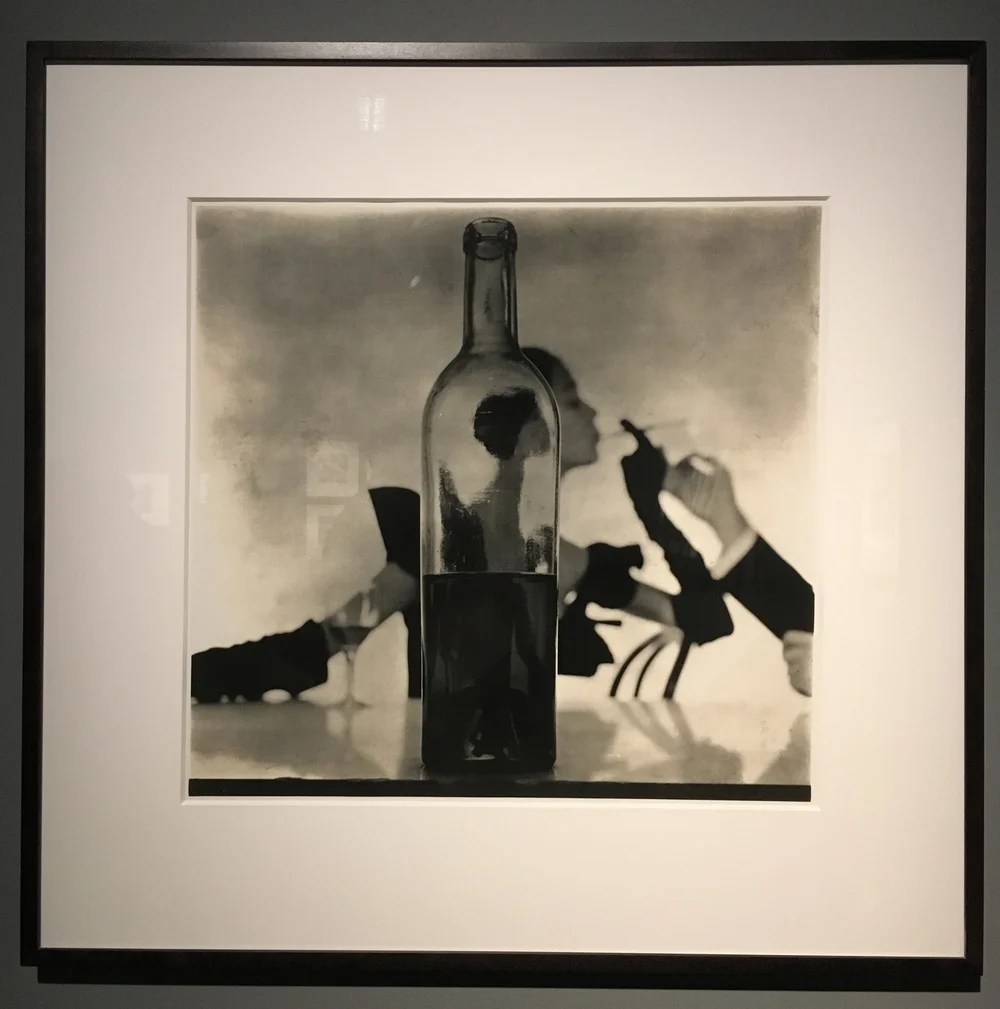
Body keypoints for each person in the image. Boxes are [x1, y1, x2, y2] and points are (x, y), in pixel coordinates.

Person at [190, 347, 809, 701]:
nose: (593, 411)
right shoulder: (450, 536)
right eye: (573, 399)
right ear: (536, 427)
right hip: (452, 778)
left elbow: (705, 621)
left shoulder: (565, 556)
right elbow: (323, 645)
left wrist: (655, 512)